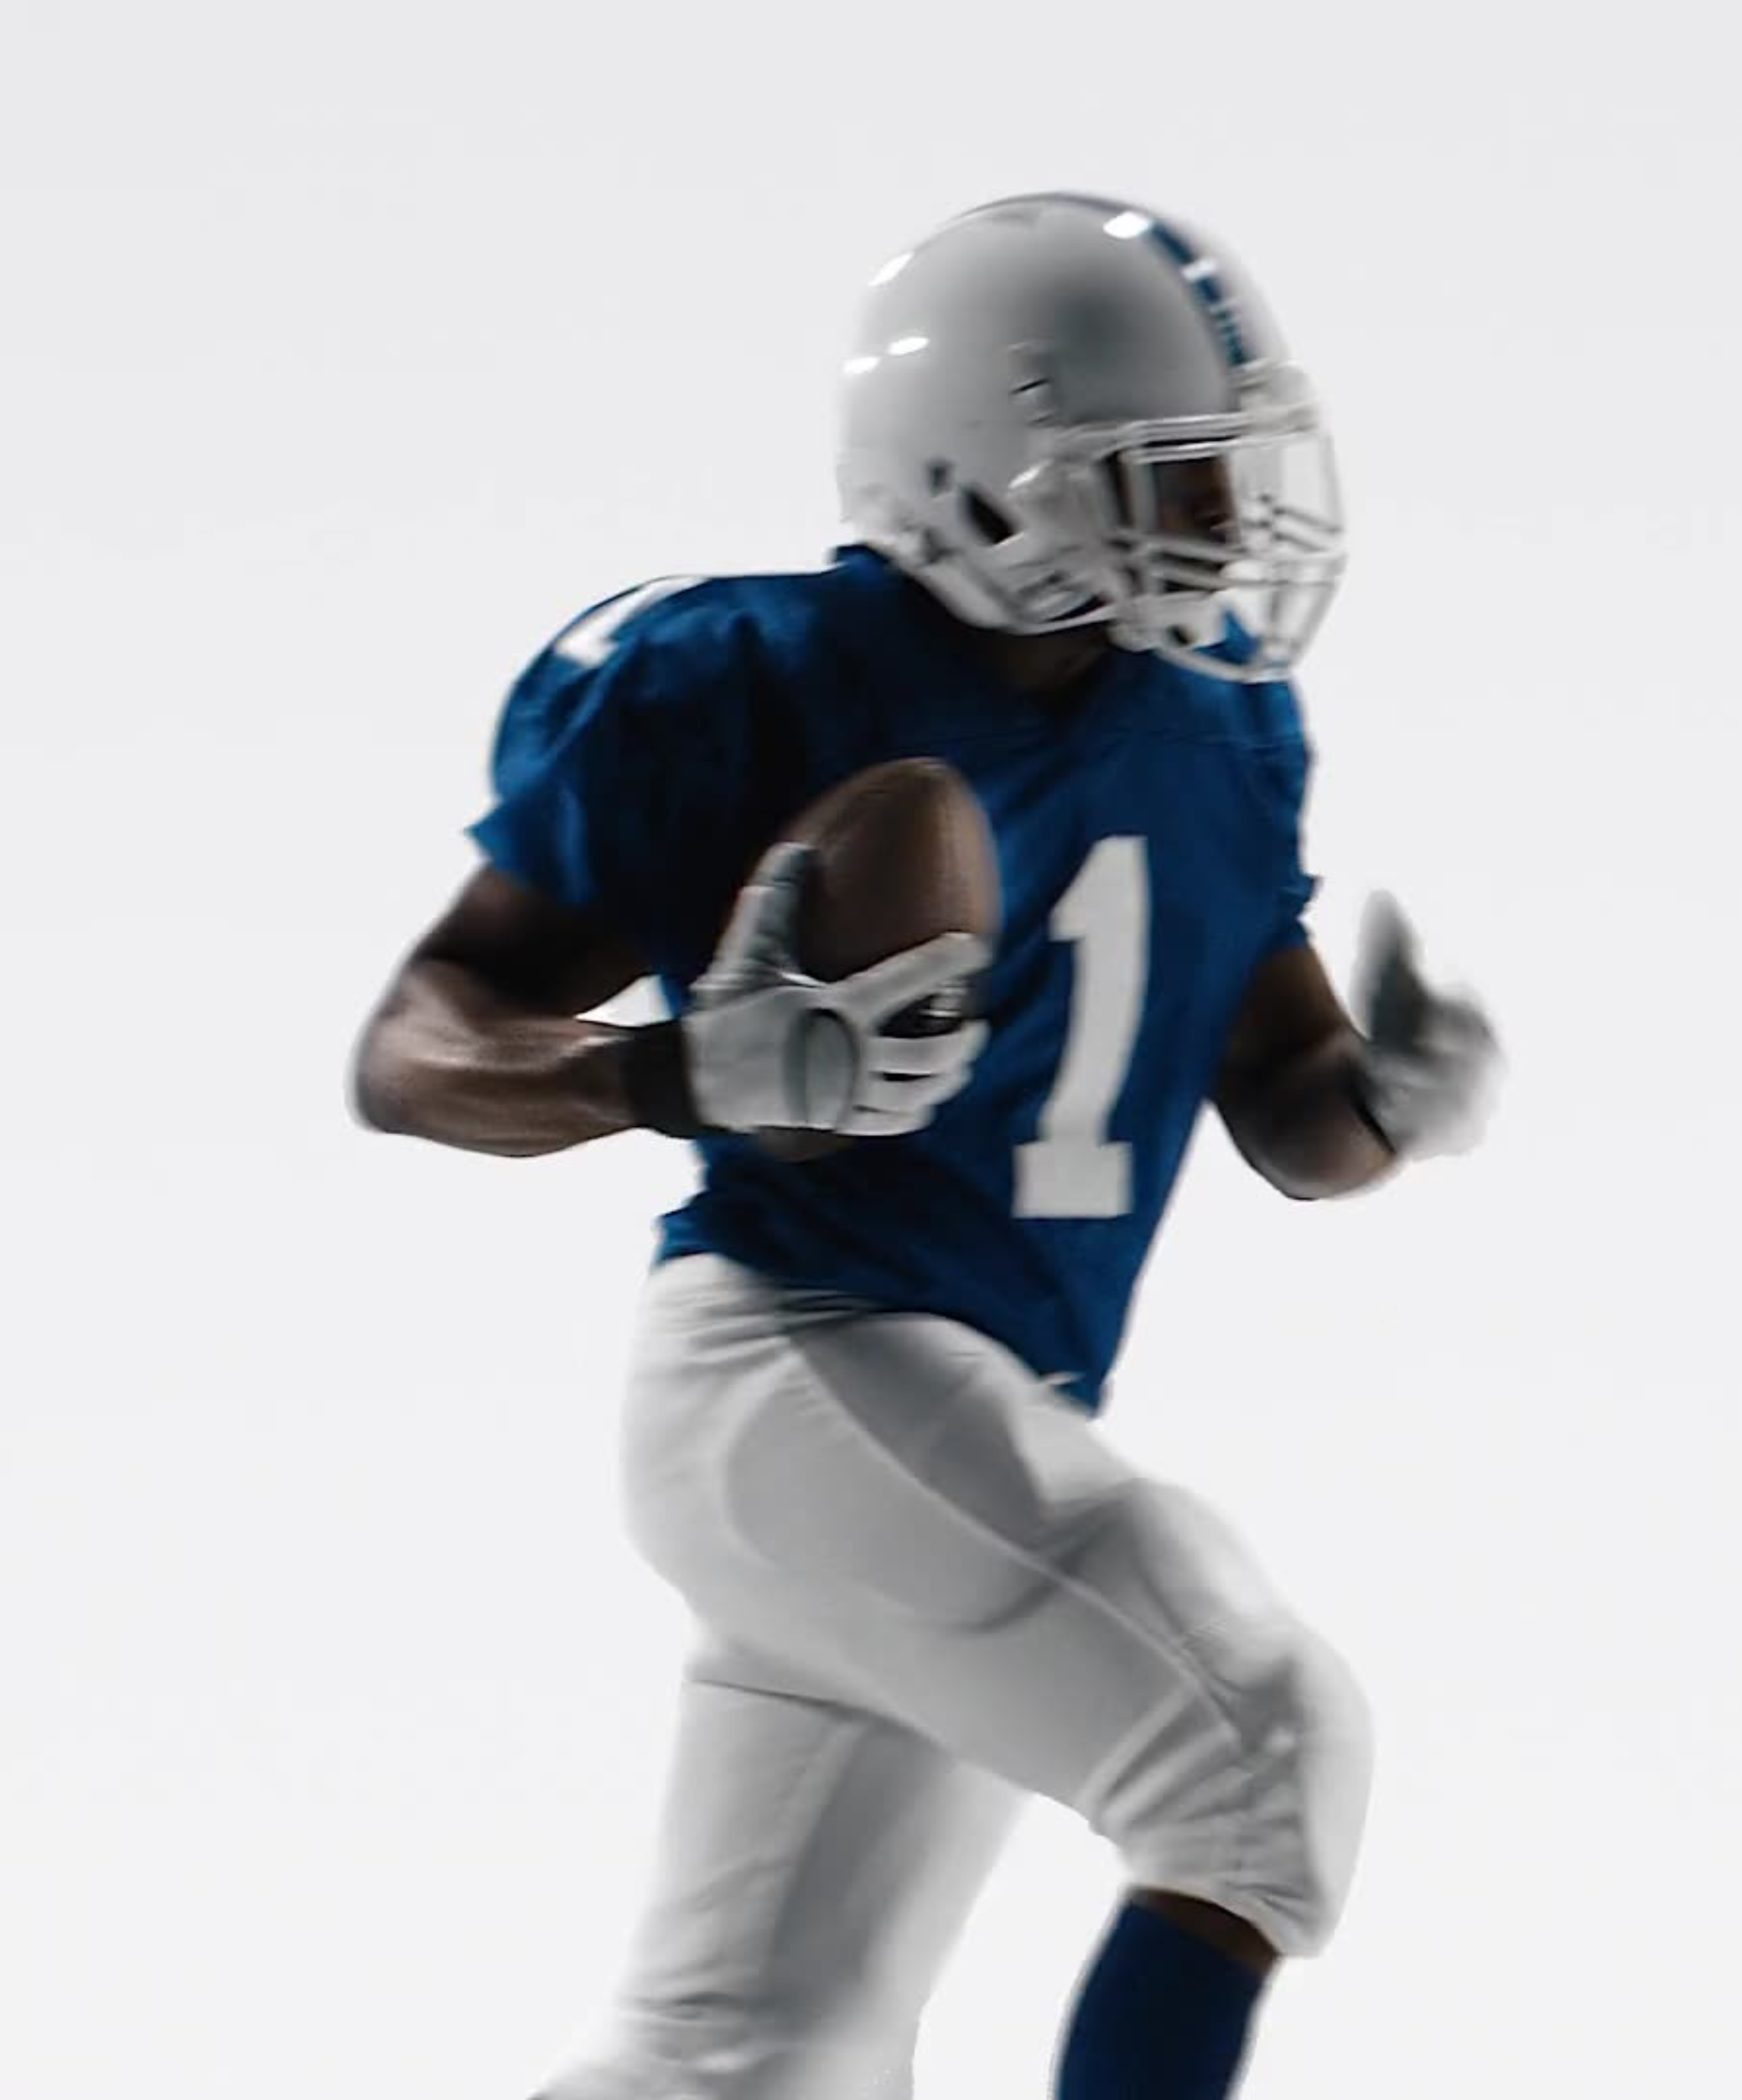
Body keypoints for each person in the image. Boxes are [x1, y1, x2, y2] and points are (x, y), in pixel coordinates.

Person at [351, 191, 1504, 2100]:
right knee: (1256, 1746)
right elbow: (416, 1049)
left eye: (1221, 472)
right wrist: (679, 1076)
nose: (1223, 522)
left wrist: (1386, 1099)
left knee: (756, 2052)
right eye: (1167, 476)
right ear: (990, 481)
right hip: (798, 1357)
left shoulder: (1214, 720)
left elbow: (1287, 1116)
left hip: (965, 1411)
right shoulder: (761, 680)